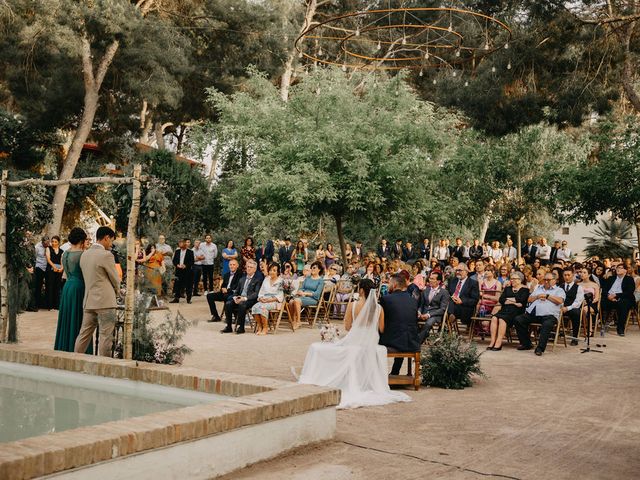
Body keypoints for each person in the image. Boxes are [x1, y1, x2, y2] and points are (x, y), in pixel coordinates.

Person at [298, 279, 411, 409]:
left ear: (361, 290)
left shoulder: (352, 305)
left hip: (355, 340)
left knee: (322, 348)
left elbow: (347, 327)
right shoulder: (379, 308)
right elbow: (381, 329)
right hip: (371, 342)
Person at [74, 226, 120, 357]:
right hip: (105, 301)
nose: (111, 244)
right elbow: (115, 279)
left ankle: (76, 359)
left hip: (89, 301)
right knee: (106, 336)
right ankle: (104, 366)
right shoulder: (106, 255)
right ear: (106, 238)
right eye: (111, 240)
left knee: (84, 334)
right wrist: (118, 292)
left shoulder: (85, 254)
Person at [54, 228, 91, 353]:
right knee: (80, 321)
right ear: (81, 240)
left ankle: (64, 346)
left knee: (67, 319)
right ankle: (78, 350)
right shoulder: (83, 254)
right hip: (79, 288)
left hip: (67, 287)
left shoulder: (65, 254)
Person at [514, 271, 565, 356]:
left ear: (555, 280)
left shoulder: (559, 290)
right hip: (535, 313)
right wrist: (537, 296)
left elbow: (560, 301)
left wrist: (547, 296)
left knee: (547, 324)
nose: (546, 281)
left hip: (549, 315)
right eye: (545, 279)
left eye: (548, 280)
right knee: (518, 319)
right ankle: (526, 343)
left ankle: (540, 348)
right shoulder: (539, 288)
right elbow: (529, 299)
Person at [379, 274, 420, 375]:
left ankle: (378, 375)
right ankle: (395, 371)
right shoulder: (413, 300)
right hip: (412, 341)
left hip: (394, 341)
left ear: (395, 284)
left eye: (389, 283)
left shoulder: (386, 299)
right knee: (401, 330)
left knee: (375, 338)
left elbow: (382, 324)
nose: (388, 286)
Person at [487, 271, 529, 351]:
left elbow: (521, 300)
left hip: (516, 312)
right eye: (511, 279)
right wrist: (514, 302)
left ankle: (498, 342)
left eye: (514, 279)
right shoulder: (507, 289)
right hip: (504, 310)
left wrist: (508, 299)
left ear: (520, 280)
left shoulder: (525, 290)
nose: (512, 280)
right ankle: (492, 341)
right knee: (494, 318)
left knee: (502, 319)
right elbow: (501, 299)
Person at [221, 259, 264, 334]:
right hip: (240, 298)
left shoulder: (257, 280)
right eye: (248, 267)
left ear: (254, 269)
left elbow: (256, 294)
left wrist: (244, 298)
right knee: (228, 303)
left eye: (251, 267)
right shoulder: (242, 279)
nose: (249, 268)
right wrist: (235, 298)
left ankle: (241, 327)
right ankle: (228, 326)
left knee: (242, 304)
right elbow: (237, 292)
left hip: (250, 300)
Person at [287, 261, 324, 330]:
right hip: (303, 296)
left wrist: (305, 293)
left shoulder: (320, 280)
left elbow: (317, 294)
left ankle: (298, 321)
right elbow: (302, 288)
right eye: (311, 268)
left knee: (297, 301)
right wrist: (301, 291)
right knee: (291, 302)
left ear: (319, 269)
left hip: (313, 298)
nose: (312, 269)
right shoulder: (308, 278)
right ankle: (293, 320)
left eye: (314, 268)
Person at [601, 263, 635, 336]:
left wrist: (616, 296)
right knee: (601, 302)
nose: (618, 269)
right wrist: (608, 296)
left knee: (623, 304)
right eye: (617, 268)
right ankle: (602, 324)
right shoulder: (611, 278)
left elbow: (629, 292)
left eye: (620, 268)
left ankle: (620, 328)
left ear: (625, 270)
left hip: (623, 299)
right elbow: (604, 289)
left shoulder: (629, 279)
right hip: (609, 298)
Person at [251, 263, 284, 335]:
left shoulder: (280, 281)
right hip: (264, 299)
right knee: (255, 307)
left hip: (274, 301)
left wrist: (269, 300)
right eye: (270, 270)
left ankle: (265, 328)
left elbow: (280, 296)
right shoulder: (266, 279)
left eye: (274, 270)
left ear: (278, 272)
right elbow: (261, 291)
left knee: (262, 308)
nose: (272, 272)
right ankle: (260, 326)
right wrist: (260, 298)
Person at [417, 271, 450, 343]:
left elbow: (442, 309)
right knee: (410, 319)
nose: (430, 280)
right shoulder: (425, 290)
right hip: (423, 313)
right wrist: (419, 312)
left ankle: (417, 342)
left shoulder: (444, 292)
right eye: (430, 278)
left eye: (432, 279)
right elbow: (421, 305)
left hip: (435, 315)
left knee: (428, 323)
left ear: (438, 281)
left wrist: (429, 315)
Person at [447, 263, 480, 328]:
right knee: (448, 303)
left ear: (466, 272)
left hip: (464, 307)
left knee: (446, 310)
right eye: (457, 270)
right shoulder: (452, 281)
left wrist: (462, 301)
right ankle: (449, 319)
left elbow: (475, 300)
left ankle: (447, 324)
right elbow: (448, 293)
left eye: (460, 270)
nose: (458, 272)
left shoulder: (473, 283)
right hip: (451, 304)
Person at [559, 267, 585, 346]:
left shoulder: (578, 288)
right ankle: (552, 334)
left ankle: (574, 337)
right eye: (565, 275)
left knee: (576, 313)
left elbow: (578, 302)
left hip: (572, 308)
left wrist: (567, 308)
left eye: (568, 275)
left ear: (573, 275)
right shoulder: (560, 286)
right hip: (561, 308)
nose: (566, 277)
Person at [171, 239, 194, 304]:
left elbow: (192, 262)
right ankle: (176, 298)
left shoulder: (190, 252)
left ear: (184, 244)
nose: (180, 244)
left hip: (187, 271)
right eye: (179, 243)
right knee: (177, 284)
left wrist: (186, 265)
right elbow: (174, 260)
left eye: (181, 243)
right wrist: (177, 265)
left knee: (188, 285)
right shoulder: (177, 251)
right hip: (179, 270)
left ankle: (188, 299)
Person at [45, 235, 64, 310]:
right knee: (50, 286)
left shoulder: (62, 251)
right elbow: (48, 259)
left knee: (57, 287)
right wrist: (54, 267)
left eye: (55, 242)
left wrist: (62, 268)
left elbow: (62, 261)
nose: (53, 243)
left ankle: (56, 305)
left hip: (59, 270)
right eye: (52, 241)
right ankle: (49, 306)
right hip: (50, 269)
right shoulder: (48, 248)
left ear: (58, 242)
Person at [34, 235, 50, 309]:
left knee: (48, 285)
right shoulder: (37, 247)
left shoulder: (48, 247)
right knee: (38, 286)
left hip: (46, 268)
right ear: (42, 242)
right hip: (39, 267)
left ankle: (46, 304)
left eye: (48, 242)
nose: (47, 244)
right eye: (46, 243)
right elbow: (34, 257)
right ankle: (36, 304)